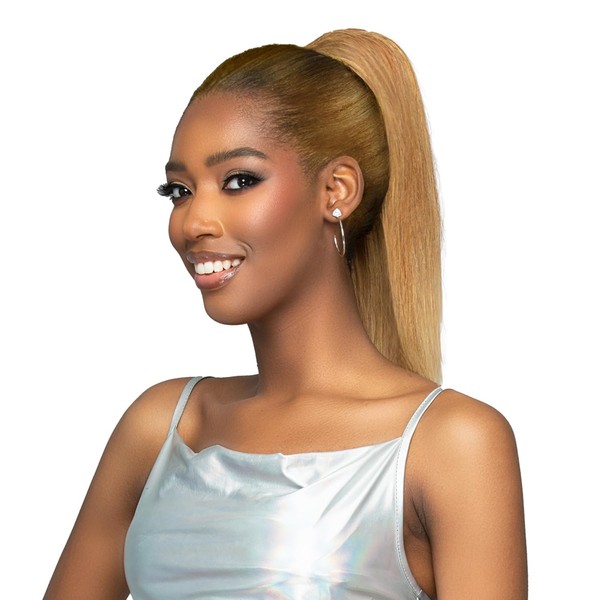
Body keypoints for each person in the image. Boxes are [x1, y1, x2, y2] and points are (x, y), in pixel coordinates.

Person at [43, 28, 527, 600]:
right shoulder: (162, 427)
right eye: (179, 191)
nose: (193, 222)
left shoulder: (452, 443)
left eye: (239, 181)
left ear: (336, 190)